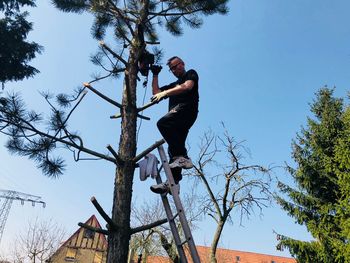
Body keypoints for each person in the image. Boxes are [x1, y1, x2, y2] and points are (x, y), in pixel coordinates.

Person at [149, 56, 199, 194]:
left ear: (182, 64)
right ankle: (173, 183)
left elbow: (187, 87)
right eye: (171, 69)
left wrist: (166, 93)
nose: (175, 70)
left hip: (186, 110)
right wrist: (155, 75)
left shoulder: (191, 74)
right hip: (177, 120)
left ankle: (183, 157)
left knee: (163, 123)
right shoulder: (173, 85)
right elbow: (156, 93)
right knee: (174, 150)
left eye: (176, 66)